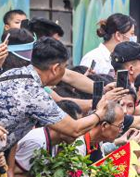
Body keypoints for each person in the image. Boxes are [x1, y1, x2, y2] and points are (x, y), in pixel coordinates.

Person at [0, 38, 129, 155]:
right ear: (55, 68)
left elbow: (70, 76)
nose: (64, 72)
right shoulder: (35, 95)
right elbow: (75, 129)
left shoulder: (14, 73)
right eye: (64, 67)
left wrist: (103, 89)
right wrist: (100, 113)